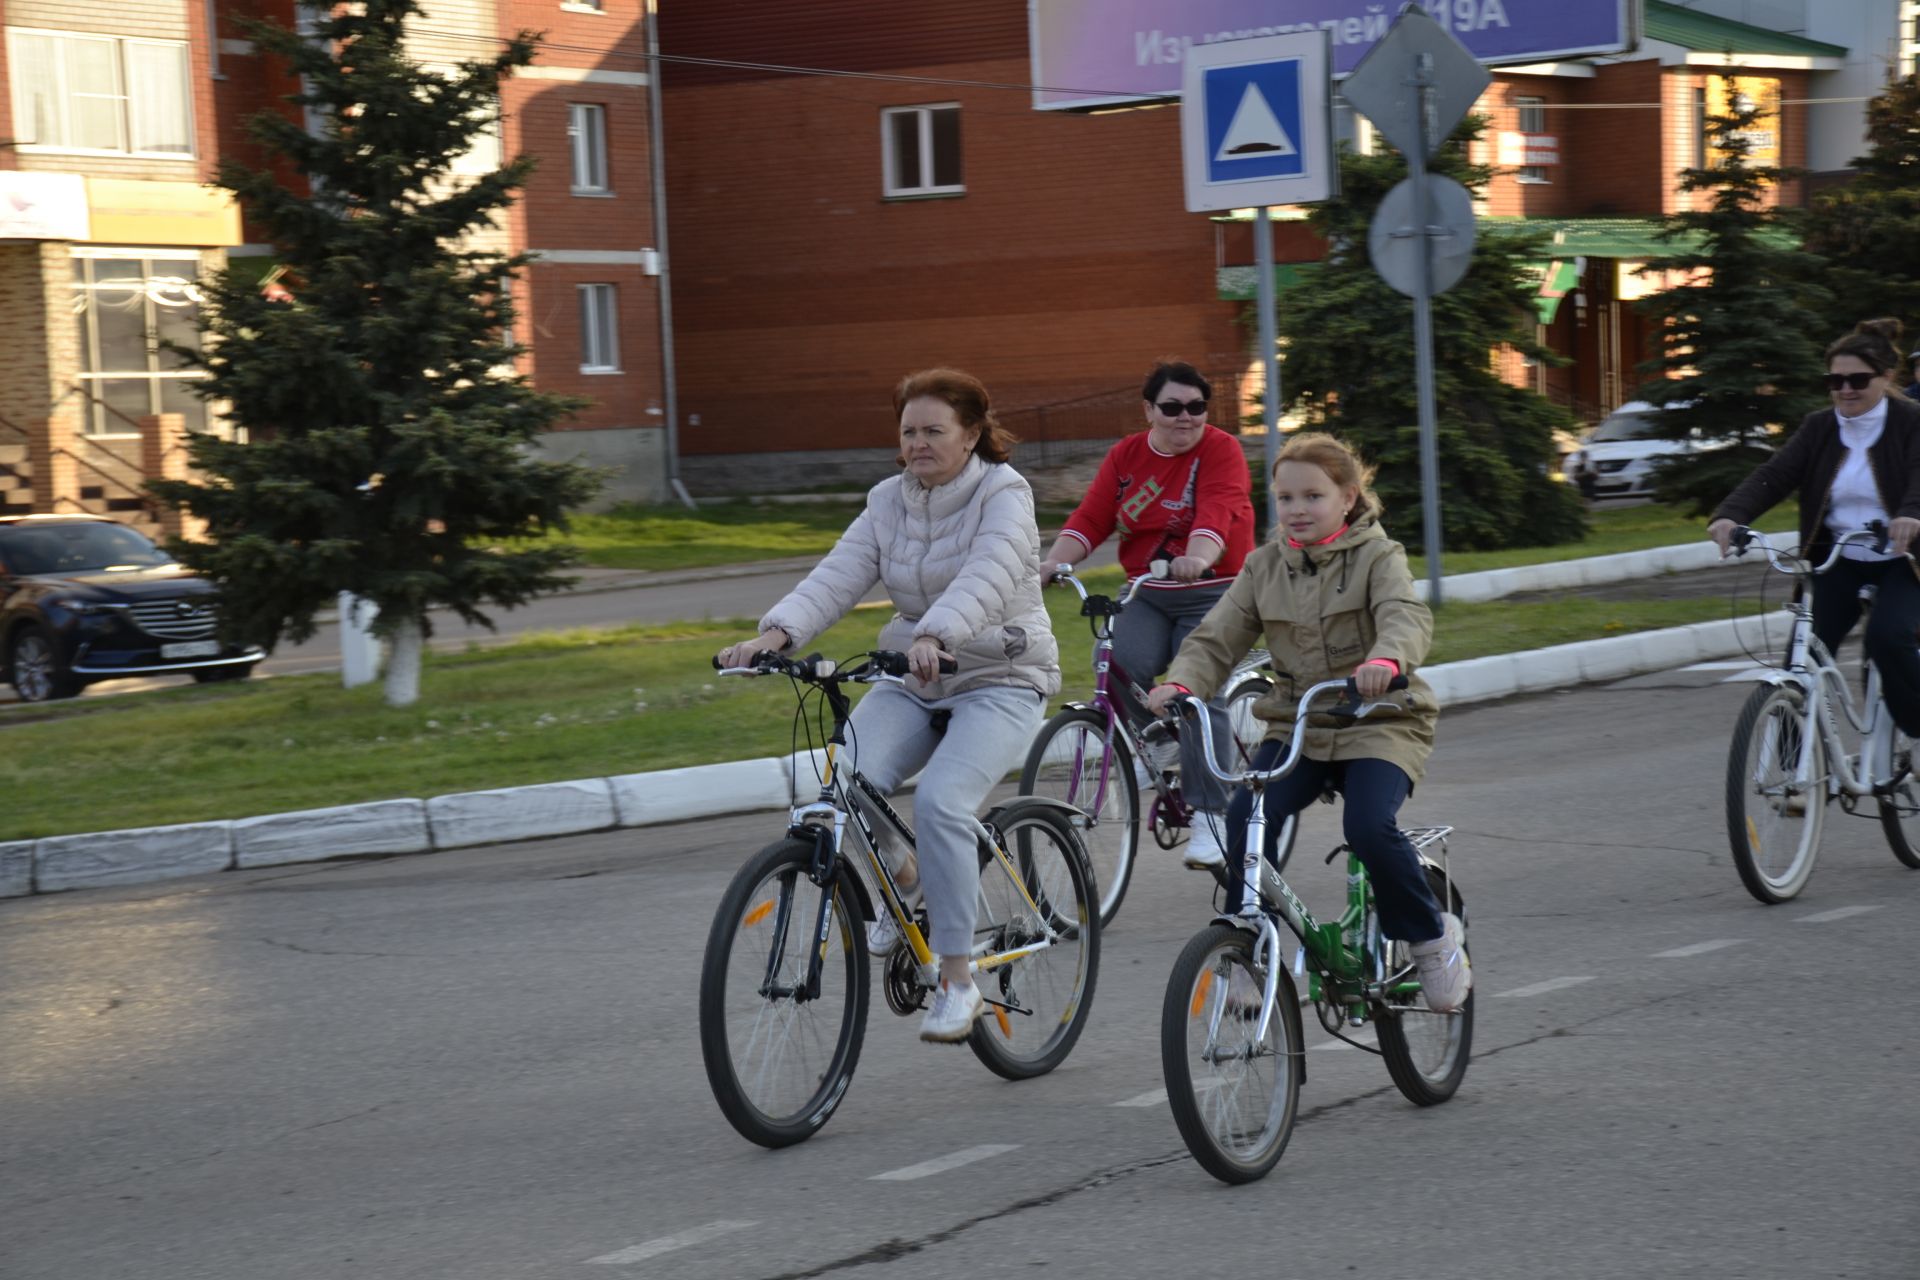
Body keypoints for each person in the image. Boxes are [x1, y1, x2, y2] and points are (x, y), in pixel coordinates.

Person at [715, 368, 1060, 1044]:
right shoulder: (888, 500)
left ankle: (958, 984)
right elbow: (840, 574)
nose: (920, 443)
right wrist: (775, 635)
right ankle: (911, 878)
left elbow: (987, 574)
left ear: (971, 436)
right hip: (914, 674)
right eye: (909, 432)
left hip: (1001, 676)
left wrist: (936, 632)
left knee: (939, 803)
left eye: (935, 430)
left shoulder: (1005, 494)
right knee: (839, 778)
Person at [1143, 432, 1469, 1013]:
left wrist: (1385, 661)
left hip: (1381, 721)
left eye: (1313, 496)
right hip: (1298, 728)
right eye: (1286, 498)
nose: (1297, 510)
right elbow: (1218, 637)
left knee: (1369, 827)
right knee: (1245, 817)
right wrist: (1180, 681)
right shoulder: (1264, 566)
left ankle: (1431, 936)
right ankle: (1249, 949)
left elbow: (1404, 615)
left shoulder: (1378, 556)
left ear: (1348, 498)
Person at [1708, 318, 1920, 738]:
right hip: (1838, 557)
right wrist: (1730, 515)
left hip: (1905, 560)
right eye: (1835, 380)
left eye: (1858, 379)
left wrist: (1911, 514)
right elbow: (1775, 474)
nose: (1845, 390)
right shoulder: (1819, 427)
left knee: (1888, 636)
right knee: (1801, 657)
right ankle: (1791, 779)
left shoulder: (1911, 421)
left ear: (1886, 377)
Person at [1038, 360, 1255, 762]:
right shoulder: (1127, 455)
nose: (1185, 417)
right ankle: (1156, 746)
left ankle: (1212, 816)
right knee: (1115, 659)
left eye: (1196, 407)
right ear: (1149, 411)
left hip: (1212, 591)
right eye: (1171, 407)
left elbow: (1217, 511)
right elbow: (1092, 517)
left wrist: (1197, 558)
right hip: (1149, 591)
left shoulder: (1221, 449)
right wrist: (1053, 563)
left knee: (1196, 683)